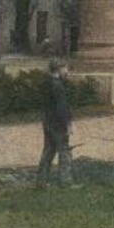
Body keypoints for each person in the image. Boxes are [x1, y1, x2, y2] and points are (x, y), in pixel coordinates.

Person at [36, 59, 74, 189]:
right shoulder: (58, 86)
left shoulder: (46, 84)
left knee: (48, 150)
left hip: (47, 121)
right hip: (58, 123)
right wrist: (67, 124)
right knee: (64, 151)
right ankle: (65, 181)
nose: (67, 71)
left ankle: (41, 181)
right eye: (66, 68)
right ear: (60, 69)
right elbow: (62, 108)